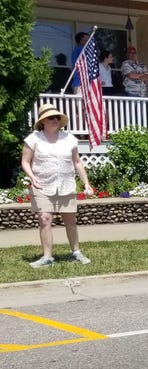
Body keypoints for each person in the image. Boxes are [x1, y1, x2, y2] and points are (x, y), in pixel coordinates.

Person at [20, 104, 95, 268]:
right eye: (50, 117)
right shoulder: (33, 139)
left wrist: (86, 183)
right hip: (42, 185)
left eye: (57, 117)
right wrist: (32, 177)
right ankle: (47, 257)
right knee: (44, 219)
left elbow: (77, 162)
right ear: (42, 121)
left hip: (66, 184)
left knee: (70, 220)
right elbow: (25, 162)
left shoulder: (69, 138)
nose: (55, 120)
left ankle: (76, 252)